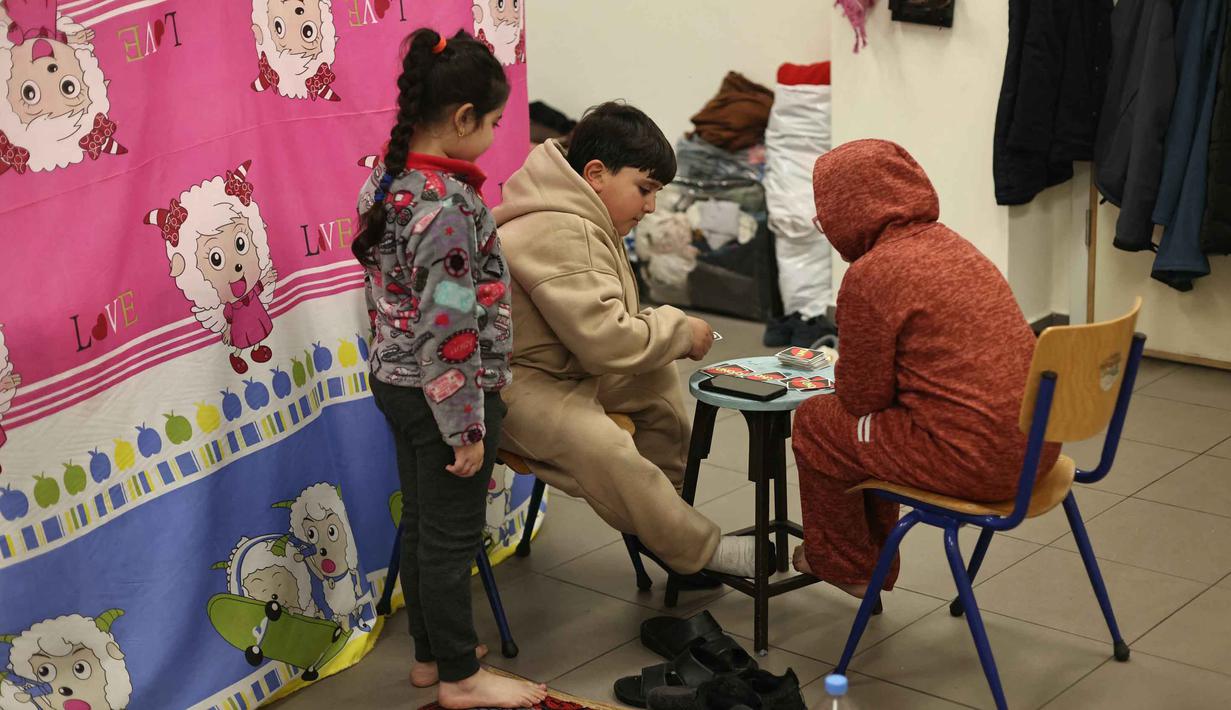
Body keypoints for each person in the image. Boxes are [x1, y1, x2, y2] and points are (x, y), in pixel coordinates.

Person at [352, 28, 546, 709]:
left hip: (396, 384)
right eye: (492, 122)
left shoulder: (390, 180)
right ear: (462, 118)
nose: (494, 135)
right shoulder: (447, 206)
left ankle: (432, 657)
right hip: (447, 396)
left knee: (423, 524)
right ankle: (463, 679)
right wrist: (464, 426)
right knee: (450, 535)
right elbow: (451, 327)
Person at [493, 102, 764, 579]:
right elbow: (609, 342)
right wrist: (680, 329)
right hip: (516, 385)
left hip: (566, 366)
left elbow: (604, 330)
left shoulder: (583, 210)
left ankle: (665, 521)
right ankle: (694, 549)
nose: (651, 206)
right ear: (596, 173)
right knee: (602, 445)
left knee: (652, 379)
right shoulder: (558, 225)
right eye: (645, 189)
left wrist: (662, 336)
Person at [792, 139, 1059, 597]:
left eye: (824, 215)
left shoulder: (872, 274)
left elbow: (860, 399)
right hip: (1038, 445)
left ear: (847, 210)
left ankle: (848, 564)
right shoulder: (955, 246)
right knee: (876, 429)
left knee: (819, 423)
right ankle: (868, 559)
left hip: (980, 463)